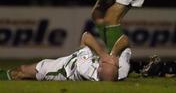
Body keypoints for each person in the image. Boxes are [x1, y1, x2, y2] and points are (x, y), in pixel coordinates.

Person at [0, 32, 131, 81]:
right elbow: (125, 40)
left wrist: (102, 55)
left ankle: (6, 75)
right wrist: (112, 54)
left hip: (61, 70)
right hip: (73, 59)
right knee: (23, 73)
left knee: (22, 71)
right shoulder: (122, 71)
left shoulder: (86, 69)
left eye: (103, 64)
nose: (103, 62)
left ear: (99, 69)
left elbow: (86, 37)